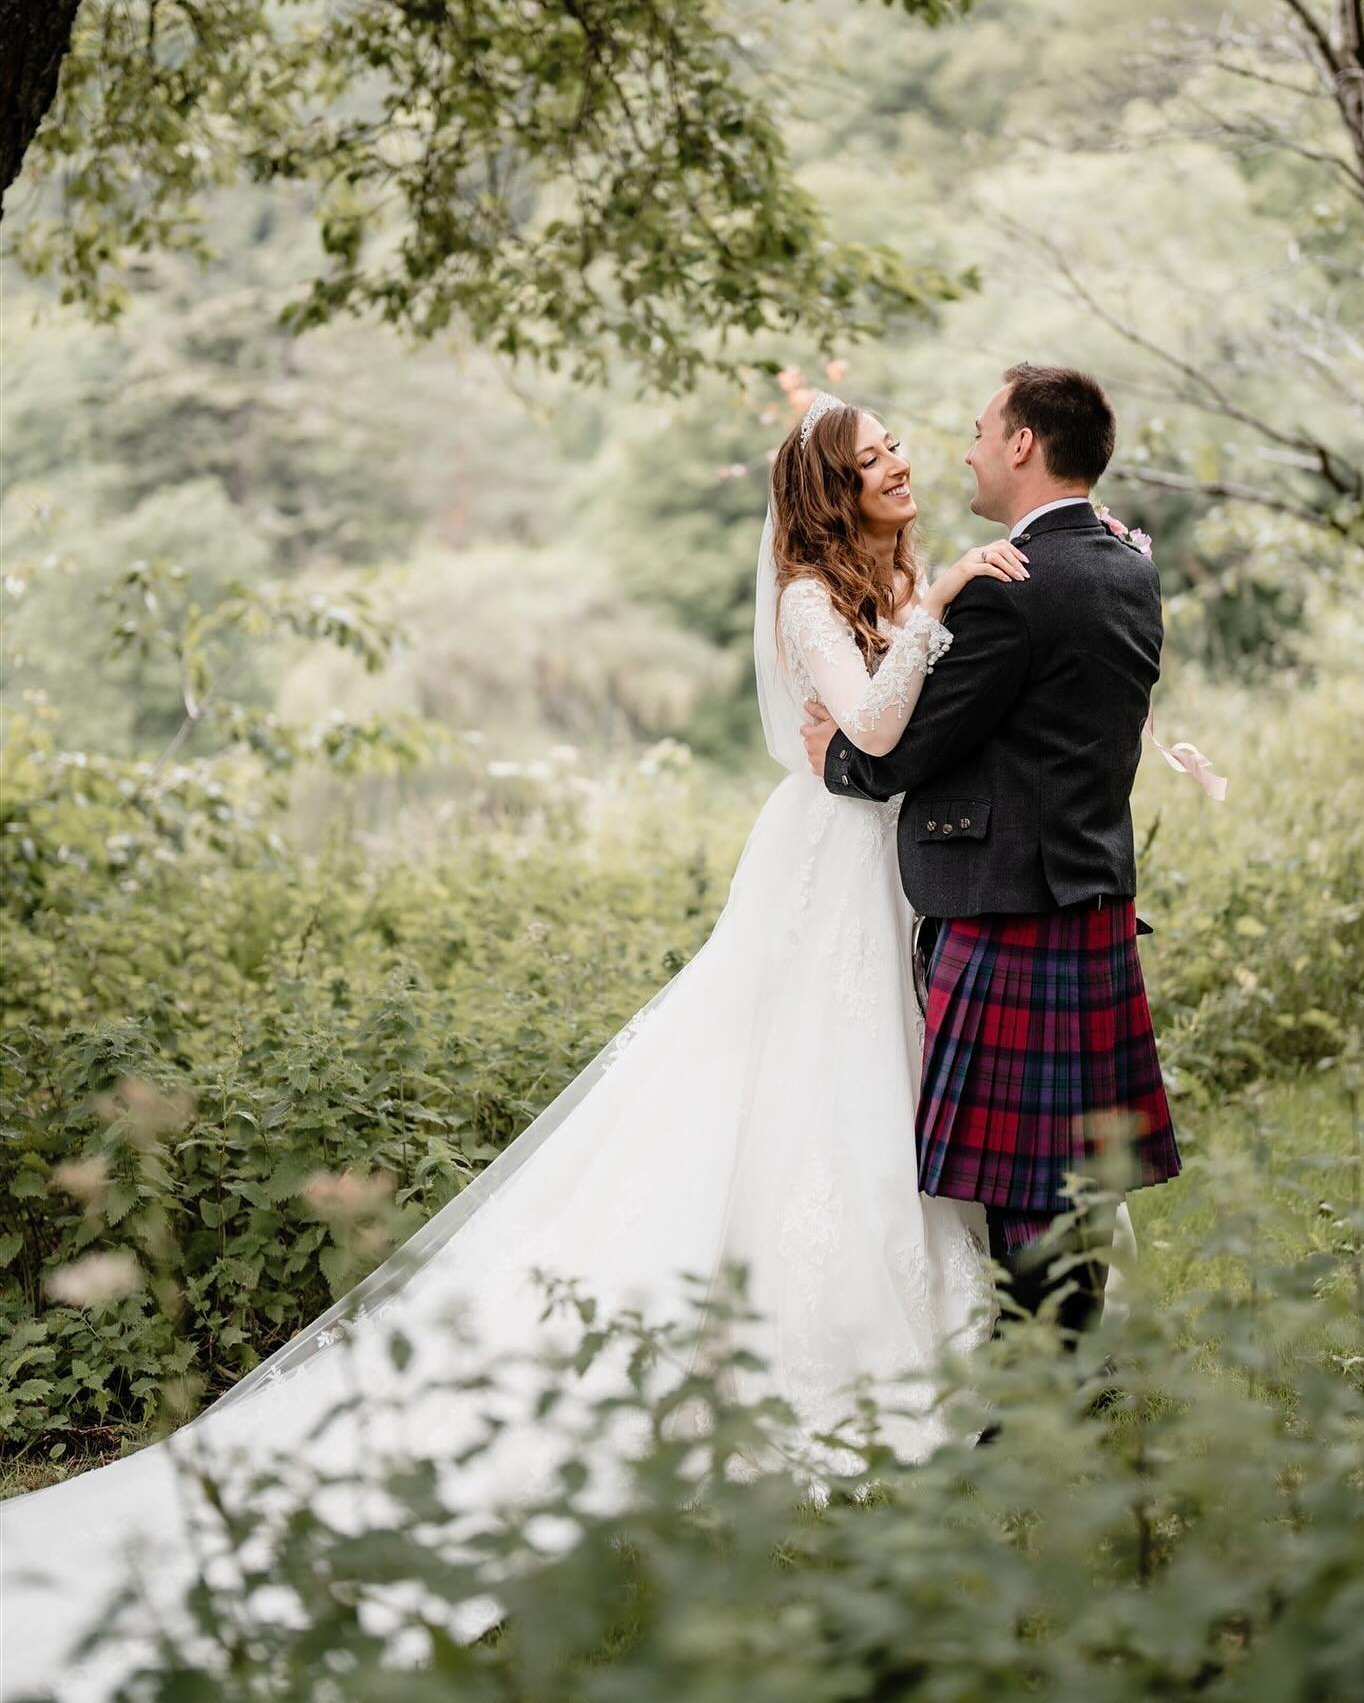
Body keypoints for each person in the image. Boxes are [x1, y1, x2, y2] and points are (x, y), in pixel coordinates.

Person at [1, 394, 1023, 1701]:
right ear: (830, 488)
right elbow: (872, 734)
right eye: (873, 454)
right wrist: (935, 617)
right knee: (811, 1090)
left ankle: (918, 1346)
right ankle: (810, 1361)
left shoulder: (895, 575)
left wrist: (935, 613)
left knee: (872, 1085)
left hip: (887, 868)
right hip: (827, 870)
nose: (900, 463)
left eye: (897, 446)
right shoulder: (813, 603)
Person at [802, 363, 1183, 1346]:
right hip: (1090, 884)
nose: (962, 449)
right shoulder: (1126, 566)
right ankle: (1069, 1369)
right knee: (1060, 1161)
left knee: (1015, 1170)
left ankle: (1049, 1383)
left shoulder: (1011, 589)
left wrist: (835, 762)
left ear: (1021, 444)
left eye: (978, 430)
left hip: (1007, 895)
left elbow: (908, 753)